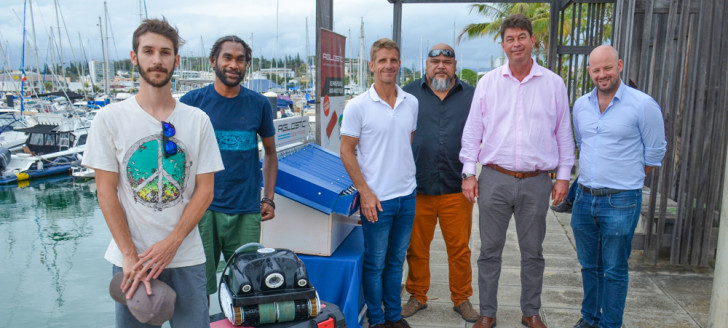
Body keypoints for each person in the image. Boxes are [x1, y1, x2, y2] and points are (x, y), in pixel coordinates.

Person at [82, 18, 224, 327]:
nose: (157, 60)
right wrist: (130, 255)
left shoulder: (198, 120)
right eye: (148, 51)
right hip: (131, 260)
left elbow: (205, 191)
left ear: (176, 60)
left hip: (186, 256)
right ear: (134, 58)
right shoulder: (109, 119)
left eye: (165, 52)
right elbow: (106, 192)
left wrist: (172, 242)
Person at [459, 14, 575, 328]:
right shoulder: (488, 83)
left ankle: (530, 311)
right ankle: (487, 313)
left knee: (533, 251)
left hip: (537, 181)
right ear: (503, 44)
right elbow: (473, 132)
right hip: (494, 178)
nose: (516, 44)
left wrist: (563, 174)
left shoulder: (553, 83)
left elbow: (563, 132)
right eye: (510, 39)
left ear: (532, 40)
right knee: (490, 251)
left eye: (521, 37)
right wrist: (469, 173)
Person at [570, 45, 666, 328]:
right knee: (589, 266)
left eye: (608, 68)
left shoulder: (643, 105)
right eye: (596, 70)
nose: (603, 74)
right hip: (584, 199)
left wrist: (625, 176)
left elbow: (654, 153)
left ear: (620, 66)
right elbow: (582, 143)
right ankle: (590, 318)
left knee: (614, 269)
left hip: (621, 201)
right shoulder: (580, 105)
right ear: (590, 71)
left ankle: (610, 323)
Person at [180, 35, 277, 298]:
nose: (234, 64)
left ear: (247, 65)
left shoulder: (259, 104)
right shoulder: (191, 102)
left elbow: (270, 152)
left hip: (246, 209)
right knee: (199, 287)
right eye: (228, 57)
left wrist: (268, 198)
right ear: (214, 61)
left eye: (240, 59)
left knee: (248, 286)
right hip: (203, 210)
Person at [340, 38, 418, 328]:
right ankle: (377, 319)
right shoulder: (358, 105)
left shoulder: (412, 103)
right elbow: (346, 151)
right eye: (382, 60)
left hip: (407, 196)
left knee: (396, 262)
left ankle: (394, 317)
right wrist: (365, 192)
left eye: (393, 60)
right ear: (372, 65)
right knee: (375, 264)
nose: (388, 65)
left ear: (399, 64)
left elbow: (404, 145)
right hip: (377, 199)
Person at [400, 43, 479, 323]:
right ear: (426, 65)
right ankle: (417, 296)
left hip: (457, 187)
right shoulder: (408, 94)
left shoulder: (472, 95)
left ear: (455, 65)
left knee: (460, 249)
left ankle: (461, 298)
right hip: (416, 185)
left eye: (447, 60)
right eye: (435, 61)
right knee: (416, 248)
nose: (441, 65)